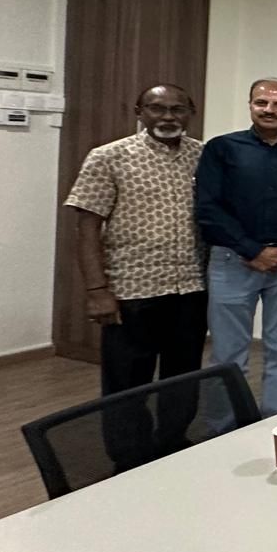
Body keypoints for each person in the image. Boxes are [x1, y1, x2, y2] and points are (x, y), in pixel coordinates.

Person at [64, 83, 207, 469]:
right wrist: (97, 289)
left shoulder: (203, 156)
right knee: (126, 384)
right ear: (139, 112)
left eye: (177, 109)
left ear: (190, 112)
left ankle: (173, 446)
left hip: (191, 288)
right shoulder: (109, 157)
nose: (168, 116)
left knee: (183, 378)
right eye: (157, 108)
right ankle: (129, 461)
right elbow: (87, 229)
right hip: (132, 291)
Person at [195, 78, 277, 426]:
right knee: (227, 356)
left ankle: (273, 425)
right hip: (232, 260)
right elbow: (208, 208)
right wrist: (253, 250)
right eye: (261, 102)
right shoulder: (221, 148)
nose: (269, 110)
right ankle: (223, 429)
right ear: (251, 105)